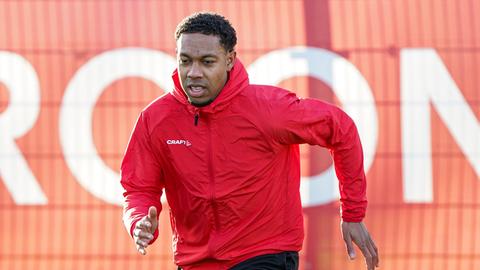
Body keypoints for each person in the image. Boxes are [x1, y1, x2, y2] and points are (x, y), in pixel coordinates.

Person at [121, 12, 379, 270]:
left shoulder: (269, 108)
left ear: (230, 60)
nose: (194, 72)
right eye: (185, 61)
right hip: (194, 261)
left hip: (265, 254)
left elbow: (341, 128)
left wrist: (353, 213)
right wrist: (139, 219)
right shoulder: (156, 119)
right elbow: (138, 188)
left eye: (207, 62)